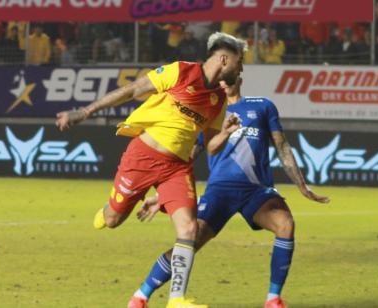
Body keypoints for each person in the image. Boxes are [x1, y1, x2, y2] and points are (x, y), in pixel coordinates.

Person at [55, 32, 247, 308]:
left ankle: (177, 299)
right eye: (239, 63)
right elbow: (132, 90)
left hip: (177, 168)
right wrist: (84, 112)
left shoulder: (218, 100)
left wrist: (226, 132)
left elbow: (210, 145)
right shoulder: (180, 71)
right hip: (143, 158)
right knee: (113, 220)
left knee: (189, 229)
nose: (241, 70)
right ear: (224, 59)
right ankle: (110, 207)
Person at [130, 77, 330, 308]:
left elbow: (282, 145)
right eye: (220, 81)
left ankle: (273, 299)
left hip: (257, 191)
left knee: (285, 224)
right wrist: (164, 194)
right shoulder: (209, 112)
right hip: (219, 191)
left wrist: (301, 185)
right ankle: (141, 296)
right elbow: (189, 155)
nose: (224, 84)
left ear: (240, 78)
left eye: (230, 78)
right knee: (190, 242)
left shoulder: (262, 105)